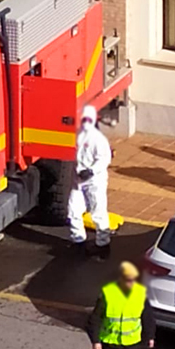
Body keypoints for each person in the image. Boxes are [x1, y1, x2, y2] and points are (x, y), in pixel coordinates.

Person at [68, 104, 112, 257]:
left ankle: (103, 245)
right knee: (73, 211)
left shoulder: (98, 140)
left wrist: (91, 171)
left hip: (95, 181)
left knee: (98, 213)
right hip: (78, 180)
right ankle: (78, 242)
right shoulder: (77, 135)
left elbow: (104, 159)